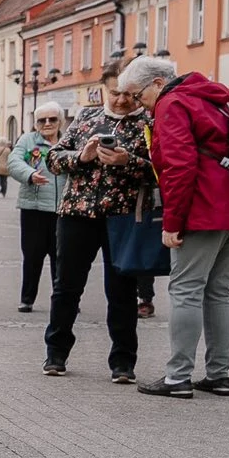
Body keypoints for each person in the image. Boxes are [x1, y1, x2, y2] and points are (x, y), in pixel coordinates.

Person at [128, 59, 229, 398]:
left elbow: (179, 167)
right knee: (219, 292)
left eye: (138, 96)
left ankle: (178, 376)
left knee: (186, 290)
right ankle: (219, 374)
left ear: (157, 83)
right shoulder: (214, 96)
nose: (139, 104)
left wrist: (172, 222)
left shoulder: (172, 103)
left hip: (205, 207)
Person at [41, 74, 154, 381]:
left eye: (128, 95)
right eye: (115, 93)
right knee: (66, 288)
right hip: (77, 213)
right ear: (106, 89)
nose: (120, 100)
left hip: (123, 216)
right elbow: (53, 159)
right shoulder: (87, 116)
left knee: (121, 291)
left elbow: (159, 168)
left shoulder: (148, 122)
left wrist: (127, 161)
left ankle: (123, 362)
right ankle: (56, 354)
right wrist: (83, 156)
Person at [7, 104, 65, 312]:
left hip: (63, 210)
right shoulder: (28, 140)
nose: (47, 124)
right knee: (32, 255)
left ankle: (63, 299)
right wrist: (29, 175)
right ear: (35, 123)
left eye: (52, 119)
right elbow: (14, 162)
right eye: (42, 120)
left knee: (62, 257)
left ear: (60, 121)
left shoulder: (69, 141)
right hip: (34, 207)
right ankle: (27, 298)